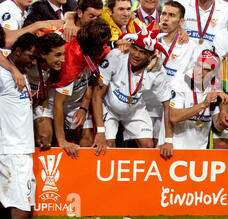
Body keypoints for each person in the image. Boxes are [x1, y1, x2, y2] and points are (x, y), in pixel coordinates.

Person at [91, 25, 173, 149]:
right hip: (109, 108)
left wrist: (168, 140)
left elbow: (167, 105)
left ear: (150, 55)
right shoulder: (116, 56)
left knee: (148, 145)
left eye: (142, 52)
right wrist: (100, 131)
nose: (136, 55)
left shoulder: (157, 71)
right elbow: (97, 95)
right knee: (107, 146)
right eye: (134, 49)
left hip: (134, 109)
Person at [50, 18, 111, 159]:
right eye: (102, 45)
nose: (104, 48)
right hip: (56, 102)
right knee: (45, 135)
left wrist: (83, 107)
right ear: (94, 46)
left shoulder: (92, 45)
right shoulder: (70, 64)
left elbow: (90, 78)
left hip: (76, 102)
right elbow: (58, 105)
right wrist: (62, 141)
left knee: (88, 140)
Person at [143, 0, 198, 147]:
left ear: (181, 21)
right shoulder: (147, 39)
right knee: (144, 146)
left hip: (168, 106)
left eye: (172, 15)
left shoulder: (189, 47)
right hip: (144, 103)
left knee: (161, 147)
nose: (166, 18)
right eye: (164, 14)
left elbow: (190, 78)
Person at [162, 50, 228, 153]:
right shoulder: (181, 81)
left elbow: (218, 126)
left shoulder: (215, 87)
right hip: (176, 149)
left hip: (200, 152)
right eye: (198, 65)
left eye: (206, 69)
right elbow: (174, 117)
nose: (199, 71)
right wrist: (204, 104)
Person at [0, 32, 38, 219]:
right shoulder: (3, 73)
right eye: (30, 57)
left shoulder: (18, 70)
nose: (32, 62)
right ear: (17, 50)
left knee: (28, 212)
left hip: (23, 148)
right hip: (12, 150)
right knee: (20, 217)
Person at [30, 33, 66, 151]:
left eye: (63, 54)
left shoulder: (52, 68)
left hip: (38, 103)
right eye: (58, 55)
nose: (63, 59)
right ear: (43, 54)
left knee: (45, 137)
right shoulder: (29, 65)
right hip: (18, 107)